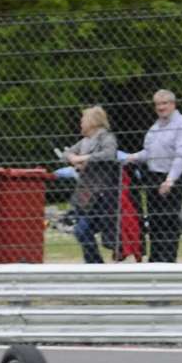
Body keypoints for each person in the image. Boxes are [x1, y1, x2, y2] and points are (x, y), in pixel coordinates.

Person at [120, 89, 182, 263]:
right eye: (157, 104)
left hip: (174, 177)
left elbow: (181, 155)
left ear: (173, 104)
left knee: (168, 220)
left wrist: (170, 180)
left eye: (164, 103)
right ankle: (155, 261)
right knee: (154, 221)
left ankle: (168, 261)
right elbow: (150, 152)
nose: (161, 108)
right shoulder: (155, 127)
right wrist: (132, 157)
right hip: (153, 176)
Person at [64, 106, 120, 265]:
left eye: (83, 119)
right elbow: (66, 154)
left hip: (101, 195)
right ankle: (94, 263)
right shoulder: (84, 141)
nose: (80, 123)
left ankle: (95, 264)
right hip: (85, 194)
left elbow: (109, 154)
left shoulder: (106, 137)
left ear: (92, 121)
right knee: (82, 231)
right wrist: (73, 158)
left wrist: (84, 159)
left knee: (82, 229)